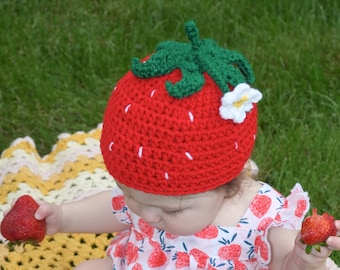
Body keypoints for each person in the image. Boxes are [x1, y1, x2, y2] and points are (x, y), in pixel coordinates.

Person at [29, 21, 340, 269]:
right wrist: (63, 216)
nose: (146, 216)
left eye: (170, 209)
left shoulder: (262, 214)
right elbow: (111, 209)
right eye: (131, 195)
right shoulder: (150, 197)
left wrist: (304, 259)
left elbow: (285, 264)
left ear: (226, 185)